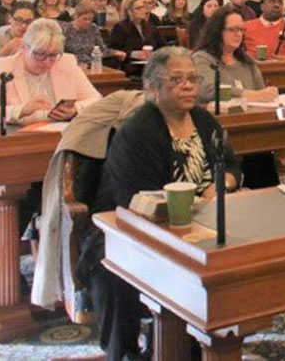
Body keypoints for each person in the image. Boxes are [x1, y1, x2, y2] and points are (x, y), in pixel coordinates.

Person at [85, 47, 240, 361]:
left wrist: (220, 185)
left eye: (193, 79)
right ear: (152, 88)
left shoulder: (204, 120)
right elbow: (135, 199)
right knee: (122, 273)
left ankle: (206, 342)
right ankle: (133, 351)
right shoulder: (138, 132)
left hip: (204, 224)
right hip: (136, 231)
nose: (188, 86)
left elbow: (233, 166)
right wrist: (190, 207)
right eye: (177, 79)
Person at [0, 19, 101, 124]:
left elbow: (97, 100)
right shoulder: (3, 67)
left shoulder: (66, 62)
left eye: (53, 55)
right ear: (24, 48)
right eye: (39, 54)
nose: (46, 62)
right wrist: (20, 111)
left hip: (60, 138)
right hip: (18, 141)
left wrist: (75, 110)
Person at [193, 7, 278, 105]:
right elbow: (208, 90)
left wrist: (268, 94)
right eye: (233, 29)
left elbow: (261, 92)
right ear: (217, 31)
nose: (239, 34)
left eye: (241, 30)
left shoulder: (247, 62)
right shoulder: (202, 59)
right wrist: (249, 95)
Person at [108, 0, 164, 74]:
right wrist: (133, 54)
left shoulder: (150, 26)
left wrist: (154, 54)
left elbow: (162, 45)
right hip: (131, 65)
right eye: (138, 8)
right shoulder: (121, 27)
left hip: (151, 64)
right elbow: (114, 50)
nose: (142, 10)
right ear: (130, 11)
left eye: (143, 7)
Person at [63, 1, 124, 66]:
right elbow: (62, 53)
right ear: (76, 16)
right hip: (73, 63)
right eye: (84, 19)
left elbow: (102, 49)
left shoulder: (93, 28)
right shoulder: (66, 29)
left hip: (92, 62)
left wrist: (115, 52)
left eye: (90, 19)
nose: (88, 22)